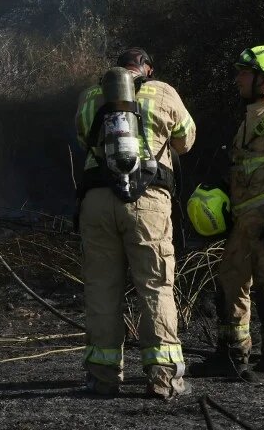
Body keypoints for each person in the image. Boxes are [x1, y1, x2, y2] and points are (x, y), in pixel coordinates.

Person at [74, 48, 196, 400]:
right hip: (148, 201)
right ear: (147, 70)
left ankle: (103, 376)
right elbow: (186, 140)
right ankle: (163, 376)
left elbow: (83, 137)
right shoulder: (164, 92)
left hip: (97, 201)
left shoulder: (91, 96)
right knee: (155, 285)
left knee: (101, 287)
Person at [192, 45, 264, 383]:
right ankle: (231, 354)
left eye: (245, 72)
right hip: (243, 222)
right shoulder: (250, 120)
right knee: (231, 283)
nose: (238, 78)